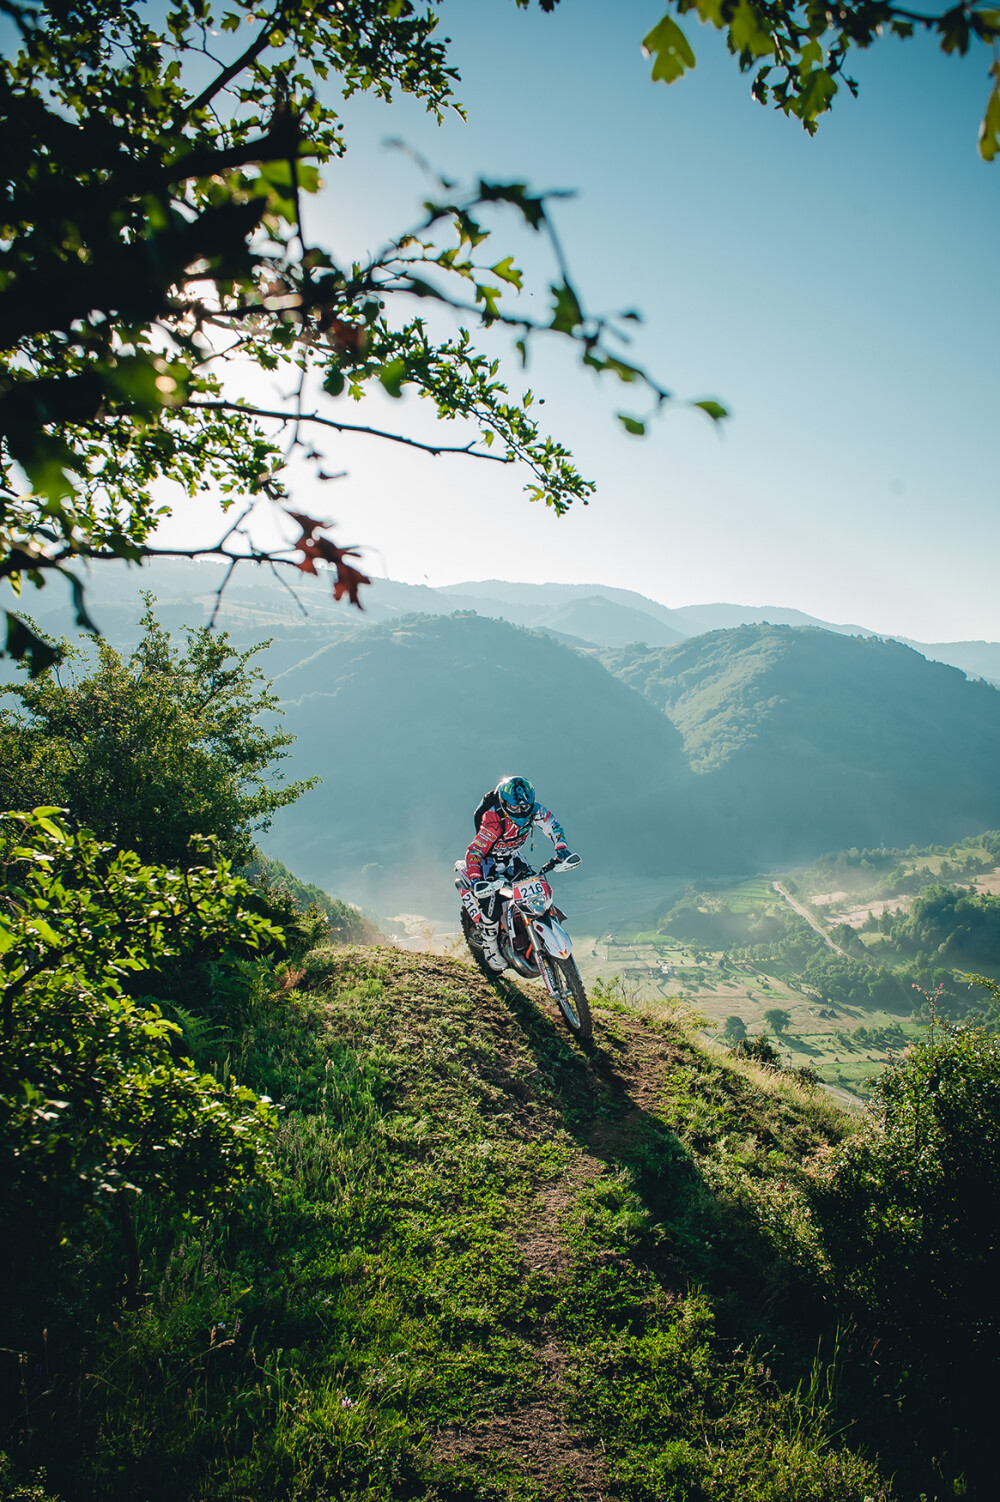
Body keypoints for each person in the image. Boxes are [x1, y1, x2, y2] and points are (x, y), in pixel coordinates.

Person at [458, 775, 575, 971]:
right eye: (515, 807)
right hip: (489, 863)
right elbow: (475, 851)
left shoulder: (535, 810)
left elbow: (553, 825)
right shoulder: (493, 819)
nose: (521, 811)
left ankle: (538, 931)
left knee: (536, 889)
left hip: (513, 857)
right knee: (491, 906)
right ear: (504, 803)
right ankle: (491, 947)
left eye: (524, 806)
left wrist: (561, 848)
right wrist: (478, 879)